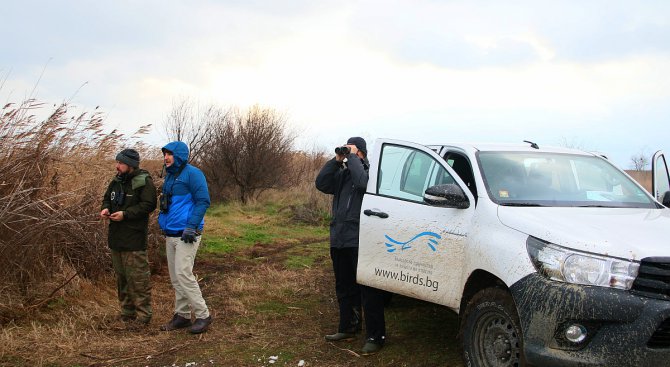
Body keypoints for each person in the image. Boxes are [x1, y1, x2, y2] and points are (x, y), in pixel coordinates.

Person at [315, 137, 386, 355]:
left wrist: (354, 158)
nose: (347, 153)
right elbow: (322, 184)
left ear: (361, 153)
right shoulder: (343, 173)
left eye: (351, 150)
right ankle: (348, 327)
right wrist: (336, 160)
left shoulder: (372, 173)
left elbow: (363, 183)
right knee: (344, 286)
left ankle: (376, 336)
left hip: (360, 238)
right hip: (339, 238)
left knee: (368, 289)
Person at [158, 141, 212, 334]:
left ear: (179, 155)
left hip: (187, 233)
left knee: (183, 273)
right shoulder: (170, 177)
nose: (166, 157)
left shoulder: (193, 174)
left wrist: (191, 226)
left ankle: (203, 314)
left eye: (170, 154)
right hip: (171, 233)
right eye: (164, 154)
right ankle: (182, 316)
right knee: (175, 277)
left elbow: (203, 201)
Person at [100, 148, 157, 327]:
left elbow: (148, 205)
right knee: (122, 278)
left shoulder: (144, 181)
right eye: (117, 162)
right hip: (116, 238)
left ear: (131, 165)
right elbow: (107, 198)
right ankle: (127, 312)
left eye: (121, 163)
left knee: (138, 278)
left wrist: (126, 214)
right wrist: (106, 208)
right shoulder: (116, 181)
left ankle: (143, 316)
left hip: (134, 238)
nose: (117, 166)